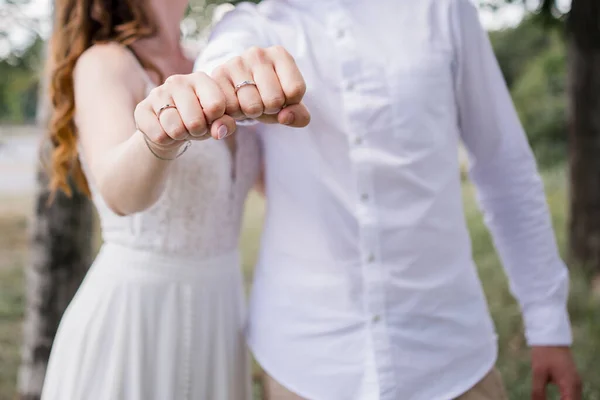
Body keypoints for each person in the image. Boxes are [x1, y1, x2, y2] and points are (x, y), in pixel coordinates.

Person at [190, 0, 580, 399]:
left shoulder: (443, 9)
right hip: (305, 360)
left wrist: (547, 320)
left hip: (448, 357)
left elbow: (504, 165)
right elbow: (218, 71)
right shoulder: (249, 26)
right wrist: (225, 84)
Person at [39, 0, 309, 399]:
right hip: (137, 316)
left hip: (221, 312)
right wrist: (161, 137)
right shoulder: (106, 62)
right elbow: (118, 191)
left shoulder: (212, 59)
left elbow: (275, 187)